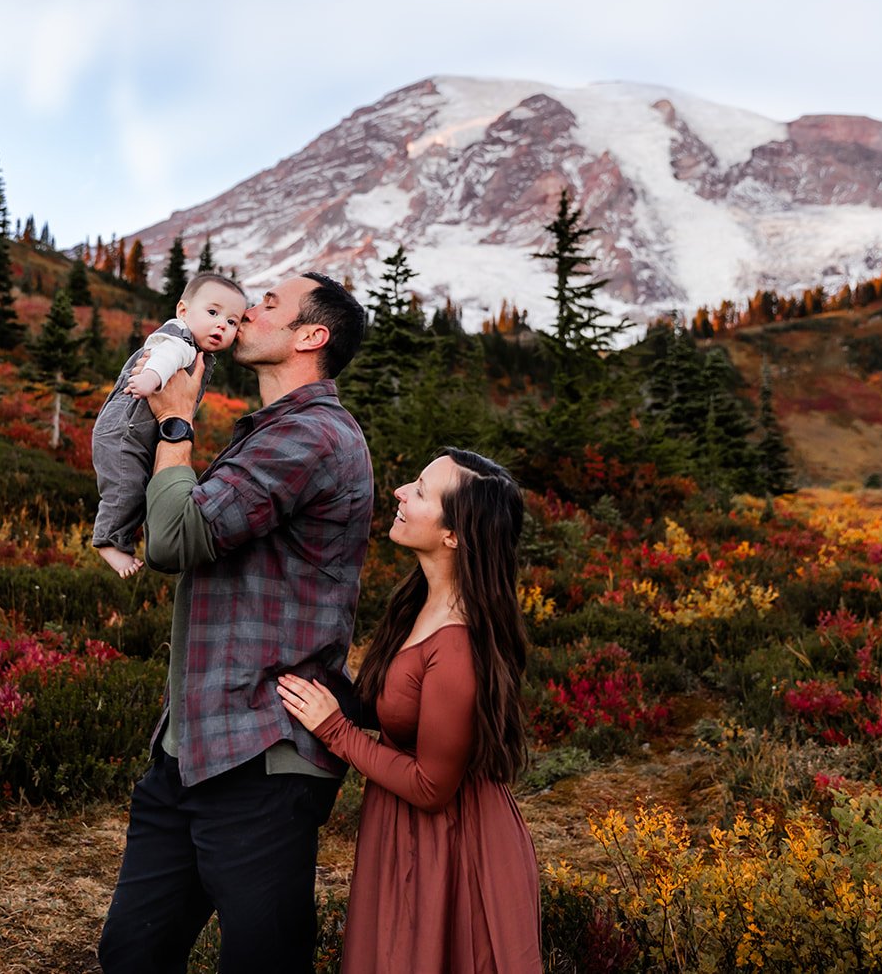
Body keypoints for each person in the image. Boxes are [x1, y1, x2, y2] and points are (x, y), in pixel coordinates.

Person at [97, 273, 374, 974]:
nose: (250, 309)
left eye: (272, 304)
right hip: (190, 751)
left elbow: (173, 540)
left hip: (261, 757)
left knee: (261, 963)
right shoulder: (271, 431)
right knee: (131, 954)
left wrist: (176, 423)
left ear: (311, 337)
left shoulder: (312, 435)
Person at [278, 448, 542, 974]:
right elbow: (399, 708)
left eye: (420, 491)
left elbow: (431, 786)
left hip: (454, 845)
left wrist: (336, 730)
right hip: (409, 833)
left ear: (455, 535)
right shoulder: (420, 599)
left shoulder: (459, 644)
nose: (399, 492)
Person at [89, 272, 248, 577]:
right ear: (183, 311)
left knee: (143, 489)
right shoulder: (180, 339)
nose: (221, 325)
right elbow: (165, 356)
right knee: (125, 489)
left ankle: (124, 536)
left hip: (137, 433)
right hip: (124, 433)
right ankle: (108, 542)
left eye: (232, 322)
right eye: (213, 313)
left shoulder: (197, 349)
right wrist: (151, 378)